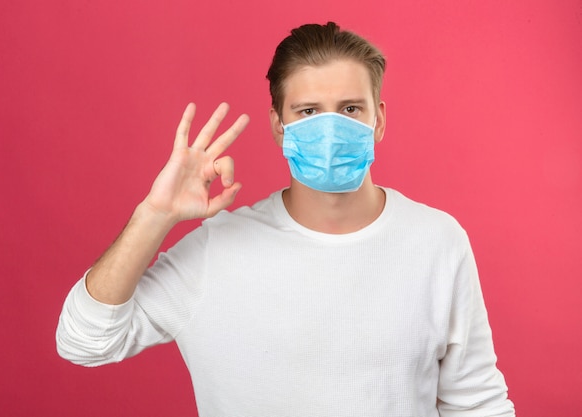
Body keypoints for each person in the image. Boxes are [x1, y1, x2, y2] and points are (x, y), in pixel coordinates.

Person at [57, 22, 515, 416]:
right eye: (309, 111)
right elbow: (85, 341)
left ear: (378, 119)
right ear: (279, 125)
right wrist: (154, 215)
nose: (331, 128)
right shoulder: (219, 249)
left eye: (351, 109)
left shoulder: (437, 241)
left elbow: (476, 404)